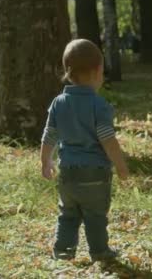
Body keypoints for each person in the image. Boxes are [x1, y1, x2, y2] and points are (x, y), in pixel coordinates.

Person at [40, 39, 129, 261]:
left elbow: (49, 135)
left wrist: (45, 161)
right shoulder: (98, 105)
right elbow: (108, 140)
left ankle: (63, 250)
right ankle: (99, 251)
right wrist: (120, 165)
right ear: (99, 70)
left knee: (68, 214)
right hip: (95, 173)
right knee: (96, 215)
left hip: (68, 172)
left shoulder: (58, 103)